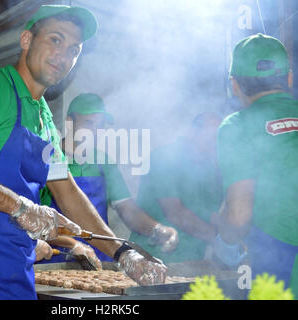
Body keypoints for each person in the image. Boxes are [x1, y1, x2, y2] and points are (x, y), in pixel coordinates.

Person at [0, 5, 166, 300]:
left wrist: (124, 252)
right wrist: (22, 207)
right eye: (55, 39)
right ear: (26, 40)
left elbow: (67, 192)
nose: (64, 56)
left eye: (75, 49)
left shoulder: (45, 120)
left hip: (12, 264)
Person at [39, 93, 178, 266]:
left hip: (100, 258)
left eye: (101, 125)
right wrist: (73, 244)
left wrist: (157, 229)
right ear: (69, 122)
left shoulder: (104, 161)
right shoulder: (47, 158)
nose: (95, 132)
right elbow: (35, 220)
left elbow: (128, 209)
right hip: (55, 258)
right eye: (89, 123)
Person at [213, 33, 298, 298]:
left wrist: (224, 245)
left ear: (234, 85)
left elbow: (239, 212)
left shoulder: (237, 125)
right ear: (289, 78)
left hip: (283, 267)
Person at [129, 112, 224, 264]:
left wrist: (233, 235)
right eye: (209, 138)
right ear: (193, 132)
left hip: (192, 259)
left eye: (217, 140)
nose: (213, 144)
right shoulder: (164, 157)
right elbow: (175, 213)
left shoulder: (212, 167)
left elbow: (211, 212)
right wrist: (218, 239)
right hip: (153, 257)